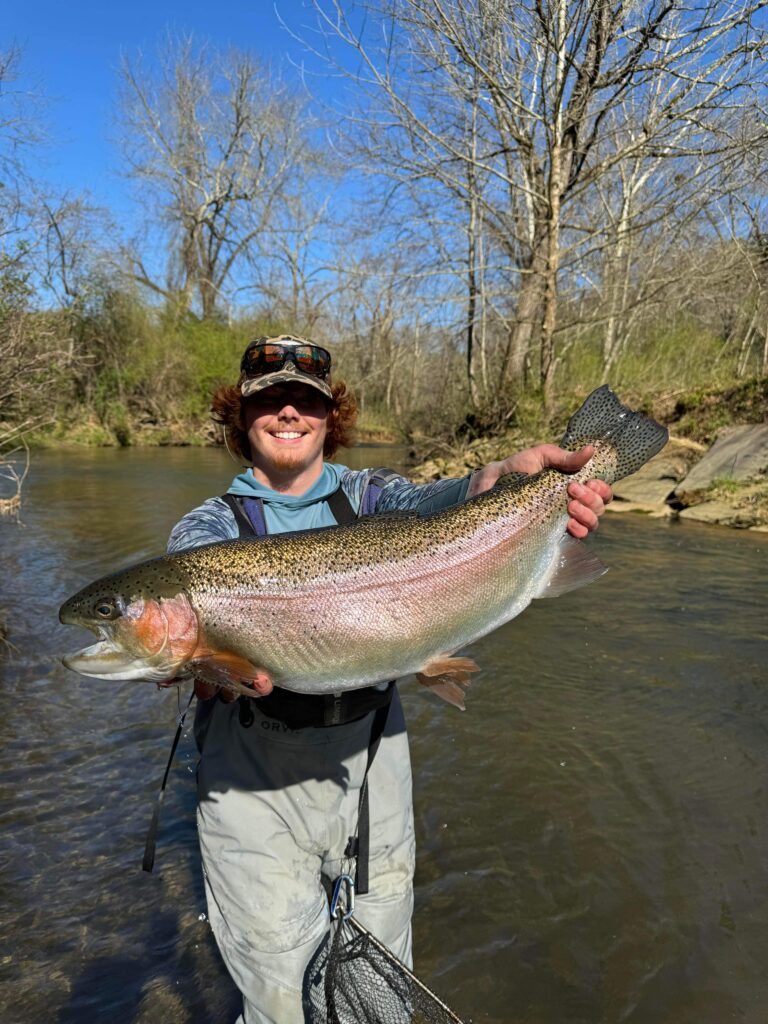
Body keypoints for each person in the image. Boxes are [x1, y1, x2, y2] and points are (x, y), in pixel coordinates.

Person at [167, 334, 612, 1024]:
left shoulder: (375, 495)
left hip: (372, 762)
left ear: (330, 416)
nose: (289, 413)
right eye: (270, 401)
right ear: (241, 418)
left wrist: (508, 481)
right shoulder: (205, 532)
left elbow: (446, 500)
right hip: (247, 777)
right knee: (278, 996)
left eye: (305, 400)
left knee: (378, 987)